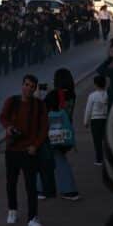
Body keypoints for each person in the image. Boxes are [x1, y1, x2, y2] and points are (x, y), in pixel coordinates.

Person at [0, 74, 48, 226]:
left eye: (32, 87)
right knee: (11, 182)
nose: (28, 88)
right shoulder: (12, 101)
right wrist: (8, 127)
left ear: (35, 89)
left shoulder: (39, 105)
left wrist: (35, 145)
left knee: (31, 186)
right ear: (22, 85)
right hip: (12, 149)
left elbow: (44, 128)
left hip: (28, 151)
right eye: (26, 85)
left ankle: (32, 219)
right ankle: (12, 209)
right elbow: (3, 117)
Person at [38, 68, 80, 201]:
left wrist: (39, 95)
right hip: (65, 132)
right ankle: (48, 189)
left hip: (51, 133)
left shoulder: (54, 95)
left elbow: (42, 109)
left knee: (48, 160)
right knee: (54, 159)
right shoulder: (72, 94)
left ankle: (67, 190)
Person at [83, 74, 109, 166]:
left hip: (95, 120)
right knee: (107, 139)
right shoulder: (108, 94)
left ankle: (99, 159)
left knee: (97, 141)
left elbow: (88, 109)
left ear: (96, 84)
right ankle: (109, 158)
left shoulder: (92, 96)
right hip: (106, 119)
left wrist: (86, 121)